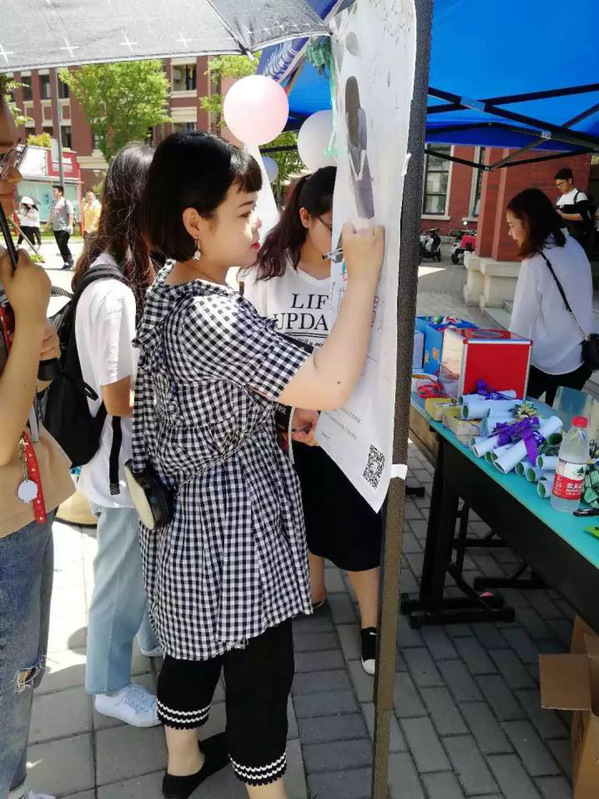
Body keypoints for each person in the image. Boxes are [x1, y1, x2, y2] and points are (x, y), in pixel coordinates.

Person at [134, 131, 383, 799]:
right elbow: (330, 384)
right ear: (195, 222)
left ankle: (183, 764)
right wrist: (362, 275)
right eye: (245, 211)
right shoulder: (212, 314)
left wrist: (269, 411)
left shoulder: (169, 287)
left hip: (184, 516)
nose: (259, 224)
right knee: (260, 673)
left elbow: (200, 398)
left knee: (191, 644)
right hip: (232, 520)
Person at [243, 167, 382, 676]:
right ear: (304, 217)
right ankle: (312, 592)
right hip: (288, 425)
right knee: (299, 514)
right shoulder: (267, 275)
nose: (342, 240)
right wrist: (294, 410)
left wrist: (332, 412)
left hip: (348, 424)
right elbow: (251, 356)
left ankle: (372, 625)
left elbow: (375, 353)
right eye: (331, 226)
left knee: (357, 525)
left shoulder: (361, 272)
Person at [0, 92, 75, 799]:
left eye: (15, 151)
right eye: (0, 157)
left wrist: (37, 353)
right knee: (9, 674)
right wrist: (28, 320)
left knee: (24, 666)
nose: (15, 173)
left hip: (26, 506)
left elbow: (24, 399)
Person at [72, 143, 160, 727]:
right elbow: (118, 397)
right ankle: (107, 684)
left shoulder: (112, 271)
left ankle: (152, 639)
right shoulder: (115, 292)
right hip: (119, 464)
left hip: (120, 460)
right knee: (119, 576)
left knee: (136, 565)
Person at [508, 188, 594, 406]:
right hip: (579, 356)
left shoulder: (536, 260)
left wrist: (508, 359)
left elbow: (521, 321)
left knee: (516, 414)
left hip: (546, 360)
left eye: (511, 225)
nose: (510, 233)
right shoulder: (574, 246)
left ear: (526, 222)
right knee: (561, 423)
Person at [554, 167, 593, 253]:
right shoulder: (560, 198)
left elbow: (582, 216)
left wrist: (563, 215)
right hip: (563, 237)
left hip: (576, 238)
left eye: (561, 183)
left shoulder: (579, 195)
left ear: (570, 180)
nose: (559, 187)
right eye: (557, 185)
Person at [47, 185, 74, 270]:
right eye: (53, 191)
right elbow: (52, 215)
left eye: (55, 191)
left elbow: (71, 215)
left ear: (60, 192)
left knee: (62, 244)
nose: (53, 193)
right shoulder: (53, 202)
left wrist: (70, 225)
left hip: (64, 227)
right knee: (60, 245)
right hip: (56, 227)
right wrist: (47, 224)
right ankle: (66, 262)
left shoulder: (66, 202)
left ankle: (70, 260)